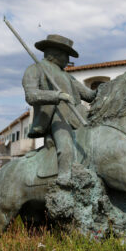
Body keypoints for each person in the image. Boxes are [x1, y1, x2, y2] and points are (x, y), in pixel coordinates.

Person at [22, 34, 97, 181]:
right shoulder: (36, 69)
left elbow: (88, 95)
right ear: (55, 54)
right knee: (66, 146)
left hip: (78, 115)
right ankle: (64, 179)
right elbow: (31, 96)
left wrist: (108, 89)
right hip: (56, 118)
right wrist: (57, 96)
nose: (68, 60)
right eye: (66, 55)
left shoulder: (67, 76)